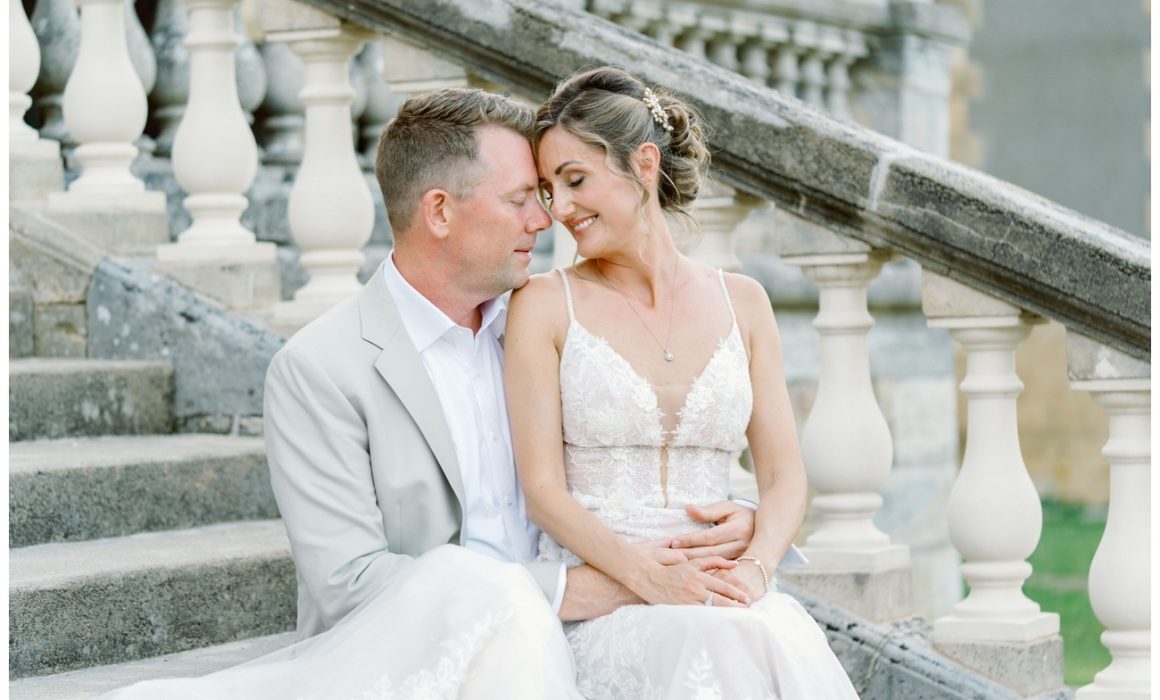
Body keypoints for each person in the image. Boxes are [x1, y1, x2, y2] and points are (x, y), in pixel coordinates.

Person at [104, 87, 759, 699]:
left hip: (595, 634)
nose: (547, 217)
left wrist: (741, 518)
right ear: (439, 211)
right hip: (427, 664)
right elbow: (349, 585)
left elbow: (660, 439)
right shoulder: (320, 369)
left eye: (547, 192)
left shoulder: (556, 325)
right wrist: (583, 589)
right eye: (520, 199)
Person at [504, 66, 860, 698]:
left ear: (643, 163)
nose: (561, 209)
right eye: (548, 190)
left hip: (727, 594)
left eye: (576, 180)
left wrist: (754, 569)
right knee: (721, 646)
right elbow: (541, 490)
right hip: (609, 597)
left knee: (757, 640)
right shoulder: (544, 304)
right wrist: (644, 575)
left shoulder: (745, 303)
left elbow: (785, 478)